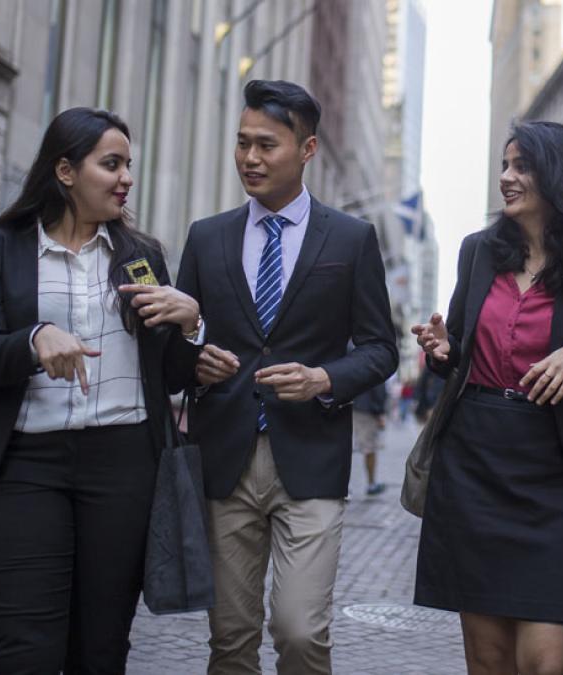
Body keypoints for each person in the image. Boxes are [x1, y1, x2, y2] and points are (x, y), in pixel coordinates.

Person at [0, 107, 202, 672]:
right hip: (21, 466)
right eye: (111, 164)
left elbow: (170, 374)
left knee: (99, 651)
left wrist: (191, 324)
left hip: (122, 468)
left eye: (128, 166)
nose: (126, 179)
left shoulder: (143, 257)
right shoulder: (0, 248)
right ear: (65, 171)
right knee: (26, 653)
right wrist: (34, 339)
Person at [411, 121, 563, 674]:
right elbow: (452, 356)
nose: (506, 178)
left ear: (557, 177)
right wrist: (444, 349)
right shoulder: (477, 253)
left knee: (546, 662)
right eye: (504, 165)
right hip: (473, 464)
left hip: (553, 473)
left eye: (521, 167)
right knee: (490, 660)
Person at [176, 79, 397, 674]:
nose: (250, 158)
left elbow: (381, 349)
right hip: (224, 457)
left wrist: (324, 377)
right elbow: (179, 345)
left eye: (266, 145)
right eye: (242, 143)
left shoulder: (351, 240)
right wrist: (194, 354)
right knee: (230, 638)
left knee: (300, 633)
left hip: (312, 457)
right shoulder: (207, 236)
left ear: (307, 150)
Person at [353, 381, 388, 495]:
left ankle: (343, 486)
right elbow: (379, 388)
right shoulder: (377, 364)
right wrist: (380, 412)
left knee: (352, 447)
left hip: (355, 406)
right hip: (367, 410)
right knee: (370, 449)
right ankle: (371, 484)